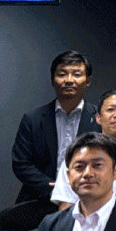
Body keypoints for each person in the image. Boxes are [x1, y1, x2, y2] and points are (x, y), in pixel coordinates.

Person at [11, 50, 99, 203]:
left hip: (89, 198)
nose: (69, 80)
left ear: (87, 81)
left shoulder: (100, 118)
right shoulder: (33, 119)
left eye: (77, 74)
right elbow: (21, 163)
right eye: (62, 74)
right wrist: (53, 188)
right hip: (40, 197)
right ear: (53, 80)